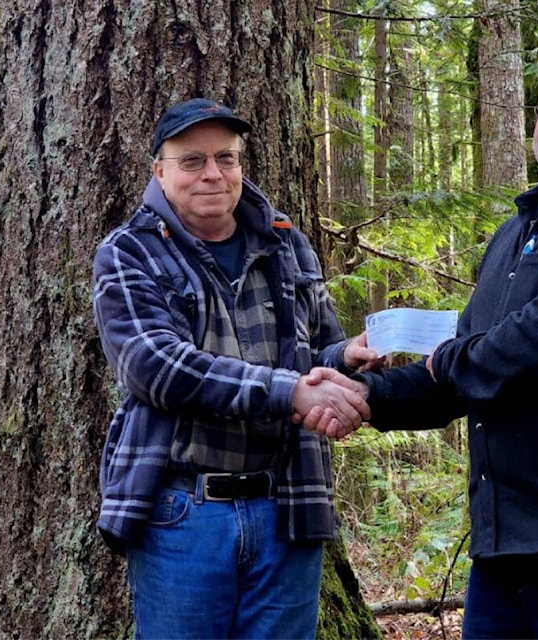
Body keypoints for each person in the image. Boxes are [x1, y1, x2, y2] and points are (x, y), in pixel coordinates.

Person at [306, 52, 538, 638]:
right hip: (505, 550)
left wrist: (450, 357)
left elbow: (530, 348)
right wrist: (363, 396)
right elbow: (468, 373)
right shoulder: (516, 234)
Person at [92, 97, 379, 639]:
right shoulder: (129, 253)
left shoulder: (286, 243)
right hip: (183, 512)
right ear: (159, 170)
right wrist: (292, 392)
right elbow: (156, 367)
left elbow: (318, 348)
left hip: (288, 506)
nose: (212, 174)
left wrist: (345, 360)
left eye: (226, 158)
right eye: (192, 161)